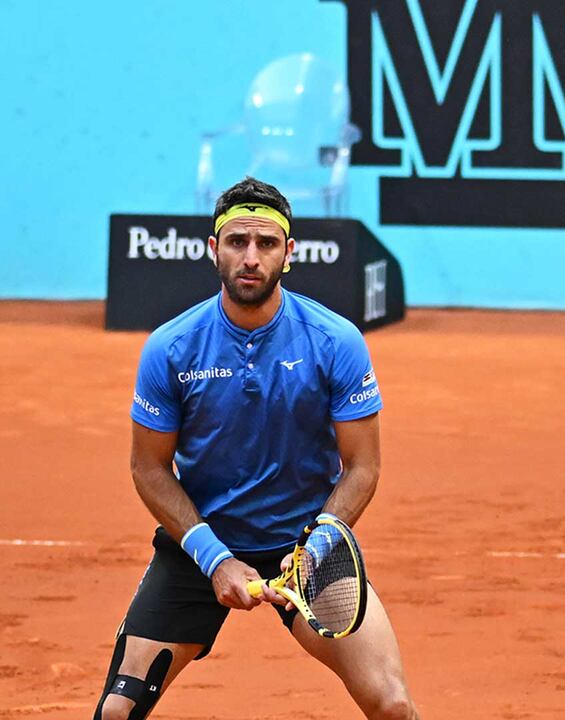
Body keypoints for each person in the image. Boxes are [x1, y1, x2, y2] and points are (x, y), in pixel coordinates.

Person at [95, 178, 419, 718]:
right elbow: (148, 468)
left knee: (392, 704)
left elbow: (362, 467)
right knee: (115, 714)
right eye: (237, 241)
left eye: (266, 244)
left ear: (289, 253)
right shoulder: (171, 348)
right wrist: (214, 558)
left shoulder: (335, 341)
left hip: (306, 542)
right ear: (212, 248)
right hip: (200, 545)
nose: (251, 257)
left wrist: (316, 549)